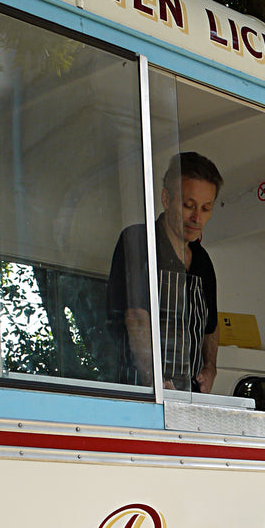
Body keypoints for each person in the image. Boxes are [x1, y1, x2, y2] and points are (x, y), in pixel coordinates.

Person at [107, 152, 223, 393]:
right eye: (188, 206)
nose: (196, 218)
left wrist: (210, 368)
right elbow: (136, 317)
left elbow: (211, 326)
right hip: (141, 393)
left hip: (188, 396)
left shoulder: (203, 261)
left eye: (205, 208)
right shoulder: (139, 241)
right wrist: (153, 380)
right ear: (166, 198)